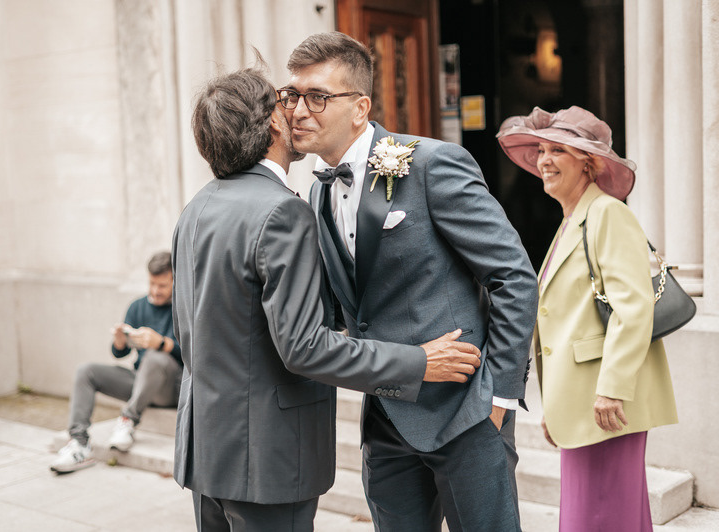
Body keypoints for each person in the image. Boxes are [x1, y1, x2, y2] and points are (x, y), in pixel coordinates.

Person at [171, 65, 485, 532]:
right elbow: (303, 347)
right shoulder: (282, 211)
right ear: (273, 123)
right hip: (267, 457)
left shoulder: (195, 208)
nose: (297, 111)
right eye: (286, 101)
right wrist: (419, 362)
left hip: (206, 451)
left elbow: (196, 331)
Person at [282, 32, 539, 532]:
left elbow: (513, 276)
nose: (298, 111)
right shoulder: (317, 194)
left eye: (317, 97)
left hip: (465, 413)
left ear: (360, 108)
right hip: (385, 418)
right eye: (292, 95)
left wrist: (500, 398)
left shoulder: (430, 164)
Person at [497, 105, 678, 531]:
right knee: (606, 515)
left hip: (606, 404)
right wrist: (558, 403)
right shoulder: (572, 221)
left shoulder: (607, 213)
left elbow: (633, 308)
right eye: (541, 150)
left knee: (600, 516)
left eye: (558, 150)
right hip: (583, 401)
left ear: (588, 163)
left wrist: (612, 390)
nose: (544, 160)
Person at [50, 251, 182, 473]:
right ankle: (79, 444)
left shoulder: (184, 308)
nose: (155, 291)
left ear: (175, 281)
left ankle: (128, 420)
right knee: (86, 371)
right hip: (140, 381)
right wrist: (120, 342)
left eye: (162, 285)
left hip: (170, 388)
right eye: (152, 284)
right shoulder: (137, 306)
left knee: (155, 357)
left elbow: (196, 356)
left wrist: (162, 343)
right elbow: (119, 354)